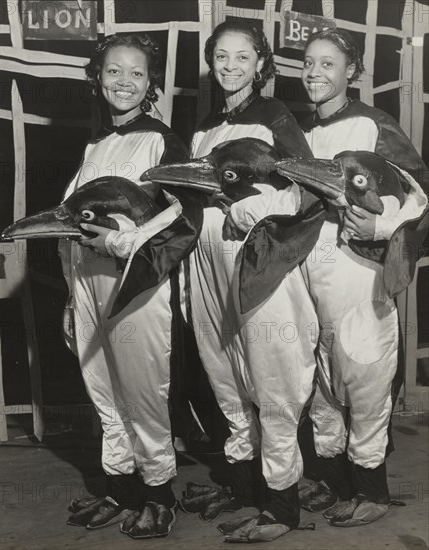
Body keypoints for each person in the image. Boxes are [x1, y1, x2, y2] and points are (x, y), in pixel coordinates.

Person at [182, 20, 319, 542]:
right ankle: (242, 485)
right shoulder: (205, 128)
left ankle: (282, 506)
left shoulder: (275, 117)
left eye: (242, 57)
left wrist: (254, 208)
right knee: (226, 379)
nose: (230, 67)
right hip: (208, 267)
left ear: (261, 64)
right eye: (221, 56)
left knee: (272, 382)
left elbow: (308, 190)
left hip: (259, 263)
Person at [292, 28, 428, 527]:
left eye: (328, 64)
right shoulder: (300, 134)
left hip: (359, 273)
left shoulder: (374, 125)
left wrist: (382, 224)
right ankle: (335, 482)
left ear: (351, 71)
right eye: (308, 62)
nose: (314, 73)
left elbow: (422, 194)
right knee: (323, 385)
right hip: (309, 275)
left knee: (365, 379)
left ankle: (372, 489)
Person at [58, 33, 191, 539]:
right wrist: (73, 298)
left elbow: (184, 216)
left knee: (142, 395)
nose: (124, 82)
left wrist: (122, 241)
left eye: (137, 73)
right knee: (104, 392)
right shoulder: (95, 144)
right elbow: (72, 221)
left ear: (151, 82)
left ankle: (159, 494)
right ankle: (121, 488)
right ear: (97, 77)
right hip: (88, 285)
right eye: (114, 71)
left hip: (135, 284)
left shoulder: (160, 139)